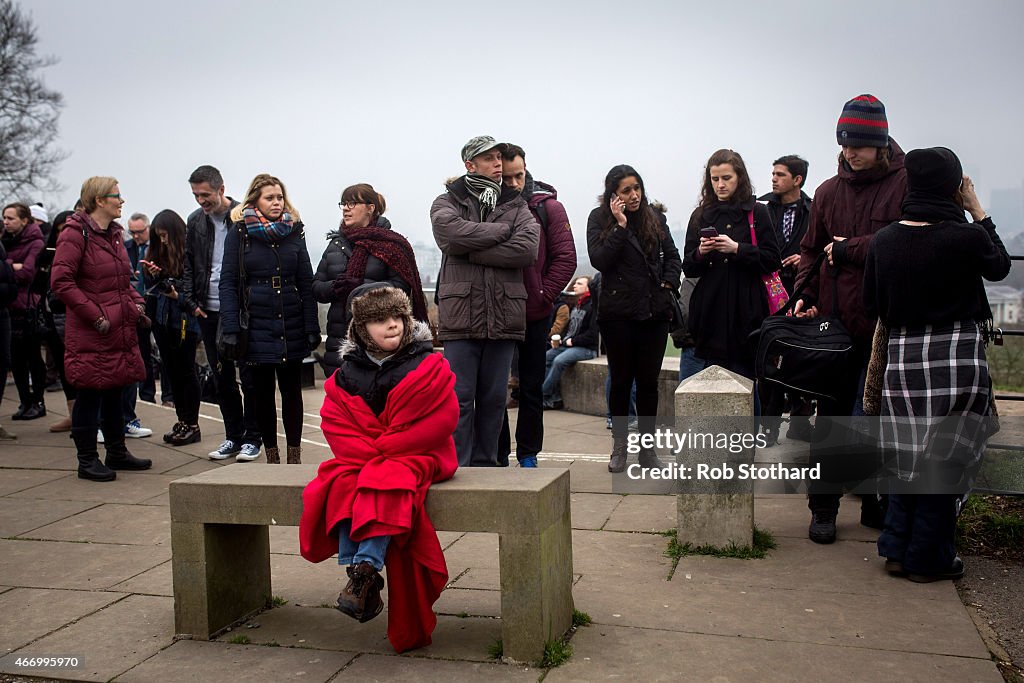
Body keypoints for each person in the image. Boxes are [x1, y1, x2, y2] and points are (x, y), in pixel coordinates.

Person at [864, 147, 1009, 582]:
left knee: (906, 454)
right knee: (945, 458)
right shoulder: (965, 237)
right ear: (953, 186)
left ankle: (895, 548)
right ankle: (928, 558)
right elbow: (1000, 267)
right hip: (957, 356)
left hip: (902, 357)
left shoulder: (884, 240)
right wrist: (978, 211)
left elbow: (873, 303)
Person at [299, 285, 458, 651]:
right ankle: (361, 571)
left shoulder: (427, 363)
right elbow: (335, 422)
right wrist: (373, 452)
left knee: (387, 478)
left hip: (419, 454)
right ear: (360, 329)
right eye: (379, 320)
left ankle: (365, 570)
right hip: (369, 457)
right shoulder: (347, 373)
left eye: (397, 318)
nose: (392, 326)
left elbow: (444, 418)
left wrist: (385, 447)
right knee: (340, 481)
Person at [793, 94, 908, 544]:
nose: (850, 152)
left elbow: (903, 242)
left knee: (878, 422)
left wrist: (848, 248)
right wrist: (803, 291)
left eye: (859, 144)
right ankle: (822, 509)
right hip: (836, 326)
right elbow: (809, 249)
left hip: (886, 324)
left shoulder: (906, 186)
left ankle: (875, 501)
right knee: (832, 421)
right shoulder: (826, 192)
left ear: (881, 143)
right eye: (844, 144)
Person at [430, 135, 539, 467]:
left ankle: (486, 466)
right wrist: (501, 233)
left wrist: (472, 249)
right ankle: (458, 466)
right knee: (459, 399)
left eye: (499, 157)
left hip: (504, 314)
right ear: (469, 164)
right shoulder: (447, 201)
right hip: (461, 316)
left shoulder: (516, 204)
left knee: (494, 400)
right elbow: (449, 235)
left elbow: (527, 249)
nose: (498, 164)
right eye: (489, 158)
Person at [50, 177, 152, 481]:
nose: (121, 201)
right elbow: (61, 282)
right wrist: (95, 315)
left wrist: (137, 303)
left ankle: (117, 452)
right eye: (116, 196)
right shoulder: (74, 233)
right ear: (99, 200)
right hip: (93, 330)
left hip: (117, 329)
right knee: (90, 394)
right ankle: (87, 460)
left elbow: (123, 281)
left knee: (114, 391)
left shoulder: (114, 235)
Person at [218, 173, 319, 465]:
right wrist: (232, 328)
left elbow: (305, 280)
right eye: (269, 198)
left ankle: (294, 456)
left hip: (290, 318)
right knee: (260, 393)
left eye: (279, 197)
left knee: (292, 392)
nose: (276, 203)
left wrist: (312, 326)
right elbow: (228, 282)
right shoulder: (240, 233)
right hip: (256, 321)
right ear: (255, 201)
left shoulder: (294, 230)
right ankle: (272, 457)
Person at [588, 165, 682, 473]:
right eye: (626, 190)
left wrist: (668, 286)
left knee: (648, 384)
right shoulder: (599, 219)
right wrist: (620, 226)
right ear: (613, 194)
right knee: (620, 381)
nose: (634, 194)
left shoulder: (656, 218)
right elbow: (600, 260)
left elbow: (673, 256)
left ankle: (647, 451)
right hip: (618, 316)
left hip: (654, 313)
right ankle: (619, 449)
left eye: (637, 187)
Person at [496, 143, 576, 468]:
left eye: (520, 175)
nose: (514, 183)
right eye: (507, 177)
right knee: (493, 391)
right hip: (496, 311)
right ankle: (497, 454)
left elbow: (566, 258)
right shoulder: (486, 207)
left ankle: (529, 454)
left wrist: (543, 294)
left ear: (527, 169)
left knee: (531, 387)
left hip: (534, 312)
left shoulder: (548, 207)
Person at [181, 165, 262, 461]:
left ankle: (254, 437)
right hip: (208, 311)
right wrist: (190, 302)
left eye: (205, 194)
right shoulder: (195, 222)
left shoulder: (244, 217)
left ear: (221, 190)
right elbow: (188, 264)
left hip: (240, 312)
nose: (201, 201)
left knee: (250, 378)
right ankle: (233, 437)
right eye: (196, 195)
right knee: (222, 379)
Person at [683, 149, 781, 382]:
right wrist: (701, 252)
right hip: (711, 311)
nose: (720, 185)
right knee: (715, 382)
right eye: (715, 179)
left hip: (747, 310)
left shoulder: (757, 211)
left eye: (726, 178)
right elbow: (688, 266)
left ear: (739, 178)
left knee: (747, 380)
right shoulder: (700, 215)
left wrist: (737, 248)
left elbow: (772, 259)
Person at [311, 183, 427, 379]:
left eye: (352, 203)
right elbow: (316, 287)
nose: (346, 208)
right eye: (343, 203)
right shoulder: (335, 244)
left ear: (370, 208)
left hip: (380, 341)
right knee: (340, 402)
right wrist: (336, 287)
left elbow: (401, 289)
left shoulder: (391, 244)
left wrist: (361, 289)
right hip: (340, 338)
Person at [758, 156, 815, 442]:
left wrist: (804, 258)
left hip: (802, 293)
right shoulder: (764, 209)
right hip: (769, 294)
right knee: (768, 357)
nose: (774, 179)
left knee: (801, 357)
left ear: (798, 179)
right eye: (773, 173)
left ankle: (800, 419)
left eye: (780, 174)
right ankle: (769, 424)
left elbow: (821, 245)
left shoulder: (813, 209)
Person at [141, 210, 203, 447]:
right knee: (171, 371)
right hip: (162, 319)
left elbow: (192, 289)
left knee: (187, 371)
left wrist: (173, 286)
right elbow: (152, 288)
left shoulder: (190, 253)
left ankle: (192, 423)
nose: (163, 241)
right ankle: (182, 420)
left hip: (185, 320)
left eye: (165, 236)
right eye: (159, 237)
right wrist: (154, 275)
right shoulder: (157, 253)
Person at [3, 202, 47, 420]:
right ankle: (24, 401)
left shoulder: (36, 242)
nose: (6, 222)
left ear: (24, 220)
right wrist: (14, 265)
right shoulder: (6, 240)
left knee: (32, 357)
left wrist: (6, 266)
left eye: (11, 218)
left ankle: (38, 401)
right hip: (10, 305)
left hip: (27, 306)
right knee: (16, 359)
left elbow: (28, 273)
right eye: (5, 217)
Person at [37, 210, 77, 433]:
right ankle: (73, 414)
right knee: (64, 368)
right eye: (61, 231)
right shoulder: (49, 253)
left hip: (71, 315)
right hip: (52, 315)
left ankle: (84, 417)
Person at [542, 275, 597, 410]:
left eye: (579, 283)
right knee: (546, 357)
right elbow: (569, 328)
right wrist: (561, 339)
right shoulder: (576, 305)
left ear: (588, 287)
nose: (574, 286)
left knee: (559, 361)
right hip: (568, 345)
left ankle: (542, 394)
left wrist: (572, 341)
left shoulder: (593, 306)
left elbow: (593, 335)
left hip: (586, 348)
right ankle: (554, 398)